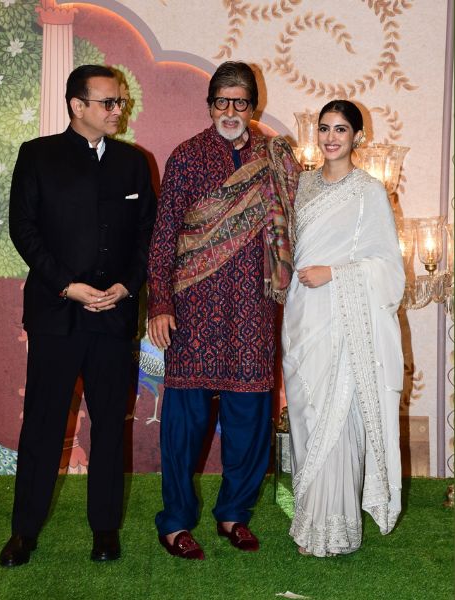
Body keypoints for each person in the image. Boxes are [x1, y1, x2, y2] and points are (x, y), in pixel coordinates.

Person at [0, 65, 157, 567]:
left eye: (121, 102)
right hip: (56, 314)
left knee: (110, 425)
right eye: (109, 102)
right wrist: (67, 286)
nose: (118, 110)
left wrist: (126, 286)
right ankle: (23, 531)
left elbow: (147, 235)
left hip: (113, 315)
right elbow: (23, 230)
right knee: (43, 425)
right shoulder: (37, 155)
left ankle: (105, 529)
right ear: (77, 105)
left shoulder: (134, 163)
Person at [147, 61, 301, 559]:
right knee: (183, 423)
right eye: (221, 101)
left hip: (253, 305)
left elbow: (297, 226)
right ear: (210, 105)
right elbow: (164, 235)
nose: (230, 111)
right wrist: (160, 303)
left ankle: (234, 514)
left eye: (240, 102)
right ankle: (175, 521)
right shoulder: (187, 156)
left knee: (249, 417)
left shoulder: (274, 157)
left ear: (254, 106)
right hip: (192, 307)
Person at [282, 100, 404, 557]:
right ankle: (308, 520)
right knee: (306, 412)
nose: (331, 137)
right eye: (324, 128)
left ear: (357, 137)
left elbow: (388, 268)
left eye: (340, 129)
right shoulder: (301, 184)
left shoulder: (368, 191)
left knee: (336, 414)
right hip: (301, 313)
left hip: (341, 317)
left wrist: (334, 273)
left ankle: (335, 528)